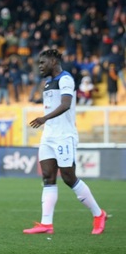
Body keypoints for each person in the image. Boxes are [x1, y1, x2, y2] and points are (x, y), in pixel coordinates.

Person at [23, 49, 106, 235]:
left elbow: (66, 104)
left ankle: (98, 214)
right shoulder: (47, 83)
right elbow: (52, 104)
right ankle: (46, 224)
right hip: (48, 135)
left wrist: (44, 118)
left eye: (42, 63)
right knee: (47, 176)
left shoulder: (65, 79)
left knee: (69, 177)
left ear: (53, 61)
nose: (40, 67)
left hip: (64, 135)